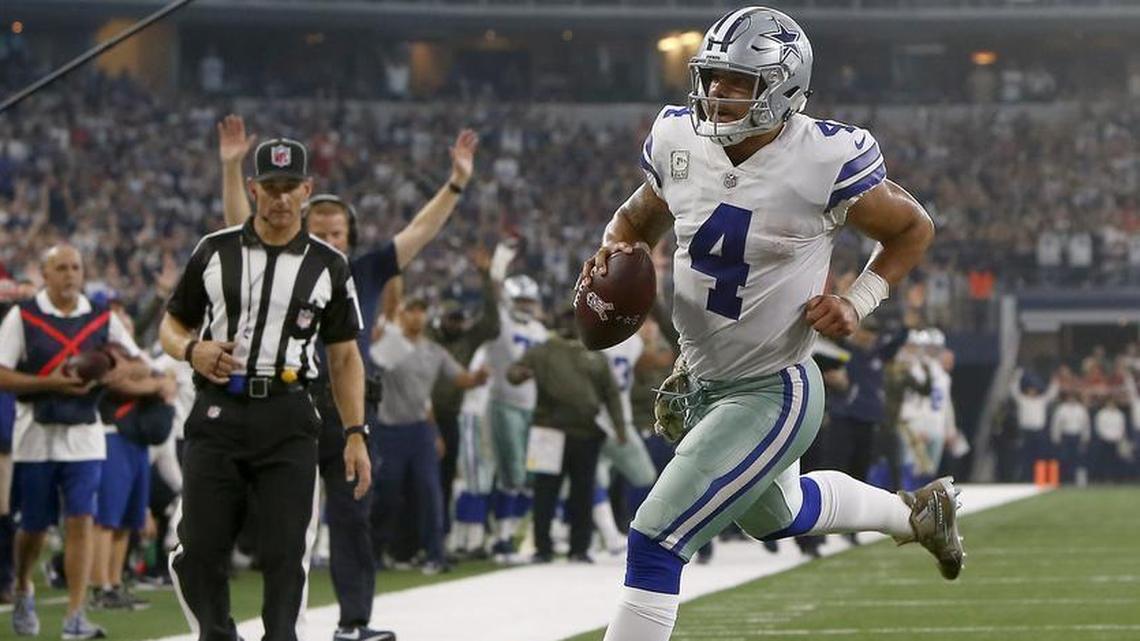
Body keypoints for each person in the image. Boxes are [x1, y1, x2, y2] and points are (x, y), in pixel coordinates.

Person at [577, 8, 955, 639]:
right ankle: (915, 515)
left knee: (655, 537)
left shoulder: (823, 157)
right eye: (713, 77)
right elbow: (635, 220)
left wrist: (858, 300)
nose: (717, 93)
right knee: (778, 514)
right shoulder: (677, 138)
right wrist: (613, 250)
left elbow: (912, 228)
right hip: (702, 380)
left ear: (783, 89)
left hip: (773, 387)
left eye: (738, 82)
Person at [218, 115, 478, 641]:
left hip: (350, 408)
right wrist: (230, 169)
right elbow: (238, 225)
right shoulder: (278, 262)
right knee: (286, 523)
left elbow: (419, 232)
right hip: (288, 402)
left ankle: (354, 621)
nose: (330, 239)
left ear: (351, 236)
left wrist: (455, 184)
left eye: (337, 233)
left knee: (353, 517)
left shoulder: (366, 270)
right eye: (320, 232)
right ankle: (281, 627)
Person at [159, 137, 372, 641]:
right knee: (196, 550)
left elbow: (344, 357)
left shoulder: (329, 265)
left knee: (286, 554)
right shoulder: (214, 250)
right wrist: (191, 349)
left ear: (307, 190)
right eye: (271, 187)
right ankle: (218, 635)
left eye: (289, 186)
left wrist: (356, 434)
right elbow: (172, 323)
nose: (280, 198)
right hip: (218, 410)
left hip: (288, 413)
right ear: (253, 189)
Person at [0, 244, 145, 639]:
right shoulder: (23, 316)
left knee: (81, 520)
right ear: (45, 274)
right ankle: (23, 585)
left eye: (75, 268)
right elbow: (2, 373)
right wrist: (50, 383)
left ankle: (75, 616)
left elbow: (137, 361)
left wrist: (115, 372)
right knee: (33, 528)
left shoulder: (102, 317)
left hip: (85, 436)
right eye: (61, 268)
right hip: (35, 436)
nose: (69, 275)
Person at [368, 296, 489, 574]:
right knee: (387, 493)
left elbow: (459, 379)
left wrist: (478, 378)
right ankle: (375, 551)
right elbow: (370, 364)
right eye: (412, 310)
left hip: (420, 428)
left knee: (430, 491)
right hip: (389, 429)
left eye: (421, 311)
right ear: (402, 314)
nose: (417, 316)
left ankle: (436, 554)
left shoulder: (434, 351)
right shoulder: (389, 346)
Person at [506, 310, 628, 563]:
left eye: (575, 319)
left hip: (585, 431)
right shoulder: (544, 350)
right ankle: (543, 547)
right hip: (548, 430)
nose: (570, 324)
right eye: (566, 319)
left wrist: (620, 427)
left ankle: (579, 548)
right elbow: (513, 372)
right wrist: (520, 374)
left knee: (582, 492)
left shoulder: (595, 353)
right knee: (545, 491)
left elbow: (611, 393)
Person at [427, 246, 501, 541]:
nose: (456, 324)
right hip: (422, 414)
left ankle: (441, 534)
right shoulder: (427, 337)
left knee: (445, 477)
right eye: (451, 319)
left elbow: (491, 323)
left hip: (450, 416)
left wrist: (486, 278)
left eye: (459, 319)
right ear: (440, 319)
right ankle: (413, 538)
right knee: (420, 479)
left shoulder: (467, 339)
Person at [482, 273, 548, 564]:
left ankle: (509, 530)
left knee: (530, 476)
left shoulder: (540, 331)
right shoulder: (500, 324)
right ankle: (502, 536)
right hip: (504, 403)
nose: (525, 305)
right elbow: (491, 303)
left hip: (533, 407)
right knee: (512, 472)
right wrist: (494, 270)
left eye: (529, 301)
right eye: (519, 300)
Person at [1009, 367, 1059, 482]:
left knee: (1039, 455)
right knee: (1025, 456)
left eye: (1034, 390)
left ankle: (1039, 478)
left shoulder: (1041, 400)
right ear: (1027, 390)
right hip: (1026, 432)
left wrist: (1054, 382)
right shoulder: (1022, 400)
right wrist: (1017, 377)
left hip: (1038, 432)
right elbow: (1013, 391)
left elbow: (1052, 394)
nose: (1032, 392)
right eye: (1030, 390)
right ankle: (1026, 478)